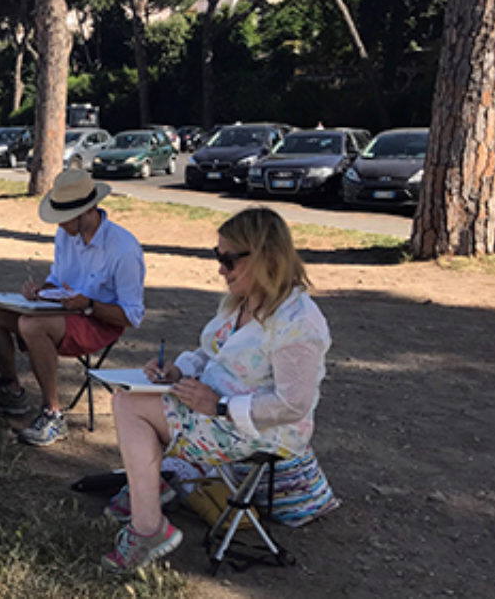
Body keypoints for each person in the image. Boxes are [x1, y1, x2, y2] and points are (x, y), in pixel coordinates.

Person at [98, 207, 331, 573]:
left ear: (267, 256)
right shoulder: (242, 303)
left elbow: (293, 404)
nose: (220, 268)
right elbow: (210, 353)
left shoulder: (298, 322)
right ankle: (148, 503)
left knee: (130, 407)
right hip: (216, 411)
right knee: (128, 399)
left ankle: (148, 524)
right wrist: (178, 369)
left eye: (228, 259)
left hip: (262, 431)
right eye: (216, 256)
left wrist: (221, 405)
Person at [0, 168, 145, 448]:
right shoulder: (67, 234)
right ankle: (13, 389)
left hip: (99, 320)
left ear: (88, 211)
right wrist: (41, 290)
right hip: (65, 310)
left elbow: (132, 316)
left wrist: (89, 304)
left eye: (65, 218)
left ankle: (53, 413)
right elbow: (58, 279)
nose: (60, 225)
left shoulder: (124, 250)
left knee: (31, 326)